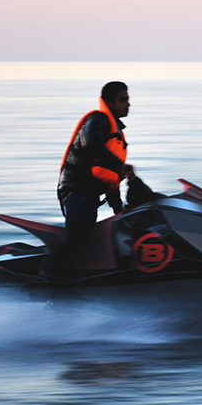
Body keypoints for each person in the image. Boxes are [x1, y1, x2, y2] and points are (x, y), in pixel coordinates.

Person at [41, 81, 135, 280]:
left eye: (128, 99)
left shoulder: (116, 135)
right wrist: (120, 166)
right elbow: (91, 145)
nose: (128, 104)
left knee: (87, 239)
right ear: (109, 101)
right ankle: (48, 273)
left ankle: (63, 269)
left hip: (88, 193)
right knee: (80, 238)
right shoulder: (98, 120)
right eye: (123, 99)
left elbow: (111, 180)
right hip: (75, 189)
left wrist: (119, 210)